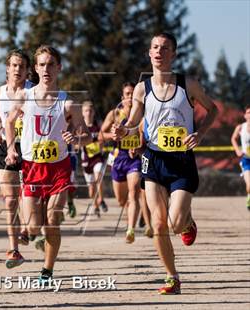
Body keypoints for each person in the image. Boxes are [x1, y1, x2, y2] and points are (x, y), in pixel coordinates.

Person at [111, 32, 217, 294]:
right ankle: (172, 277)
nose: (159, 52)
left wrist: (200, 133)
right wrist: (124, 130)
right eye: (155, 47)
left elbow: (212, 109)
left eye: (165, 48)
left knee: (175, 224)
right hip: (153, 159)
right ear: (149, 53)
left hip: (181, 160)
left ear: (174, 54)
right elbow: (134, 120)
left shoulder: (187, 84)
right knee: (158, 224)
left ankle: (188, 223)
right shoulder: (141, 88)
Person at [5, 45, 91, 280]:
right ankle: (34, 234)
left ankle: (47, 269)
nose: (46, 69)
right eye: (41, 64)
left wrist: (76, 137)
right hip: (32, 168)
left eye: (51, 64)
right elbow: (9, 123)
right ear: (35, 68)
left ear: (59, 68)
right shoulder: (25, 96)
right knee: (33, 228)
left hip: (59, 169)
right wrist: (12, 147)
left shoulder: (67, 103)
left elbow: (88, 137)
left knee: (53, 220)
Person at [0, 49, 33, 268]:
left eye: (21, 66)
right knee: (9, 200)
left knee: (28, 194)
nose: (17, 69)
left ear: (27, 70)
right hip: (8, 148)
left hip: (30, 148)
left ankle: (28, 227)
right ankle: (13, 249)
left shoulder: (33, 92)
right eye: (14, 65)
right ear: (7, 68)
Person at [100, 83, 143, 243]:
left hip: (134, 159)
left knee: (134, 193)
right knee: (121, 200)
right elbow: (100, 135)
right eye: (127, 94)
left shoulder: (141, 113)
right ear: (122, 97)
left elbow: (147, 133)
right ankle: (129, 219)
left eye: (133, 94)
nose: (130, 97)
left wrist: (139, 146)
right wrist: (113, 135)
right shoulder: (114, 114)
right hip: (118, 159)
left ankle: (130, 229)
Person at [80, 101, 107, 218]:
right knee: (91, 190)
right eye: (86, 111)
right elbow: (75, 145)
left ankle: (101, 200)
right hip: (86, 160)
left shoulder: (98, 125)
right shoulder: (80, 128)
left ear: (94, 112)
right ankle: (95, 205)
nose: (89, 113)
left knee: (99, 176)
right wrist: (81, 142)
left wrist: (101, 144)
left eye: (91, 111)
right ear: (82, 113)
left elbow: (103, 138)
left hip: (97, 158)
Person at [231, 104, 250, 211]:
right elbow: (233, 138)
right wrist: (237, 150)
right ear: (245, 115)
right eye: (248, 113)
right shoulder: (240, 127)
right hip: (246, 160)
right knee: (249, 185)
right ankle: (249, 196)